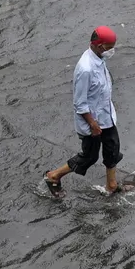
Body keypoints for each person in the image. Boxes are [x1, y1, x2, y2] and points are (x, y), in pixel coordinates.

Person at [44, 27, 126, 196]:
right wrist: (93, 124)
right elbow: (80, 103)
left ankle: (111, 185)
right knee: (89, 156)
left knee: (112, 148)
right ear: (96, 45)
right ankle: (53, 176)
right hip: (92, 122)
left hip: (106, 116)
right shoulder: (86, 69)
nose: (111, 51)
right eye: (108, 47)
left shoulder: (99, 58)